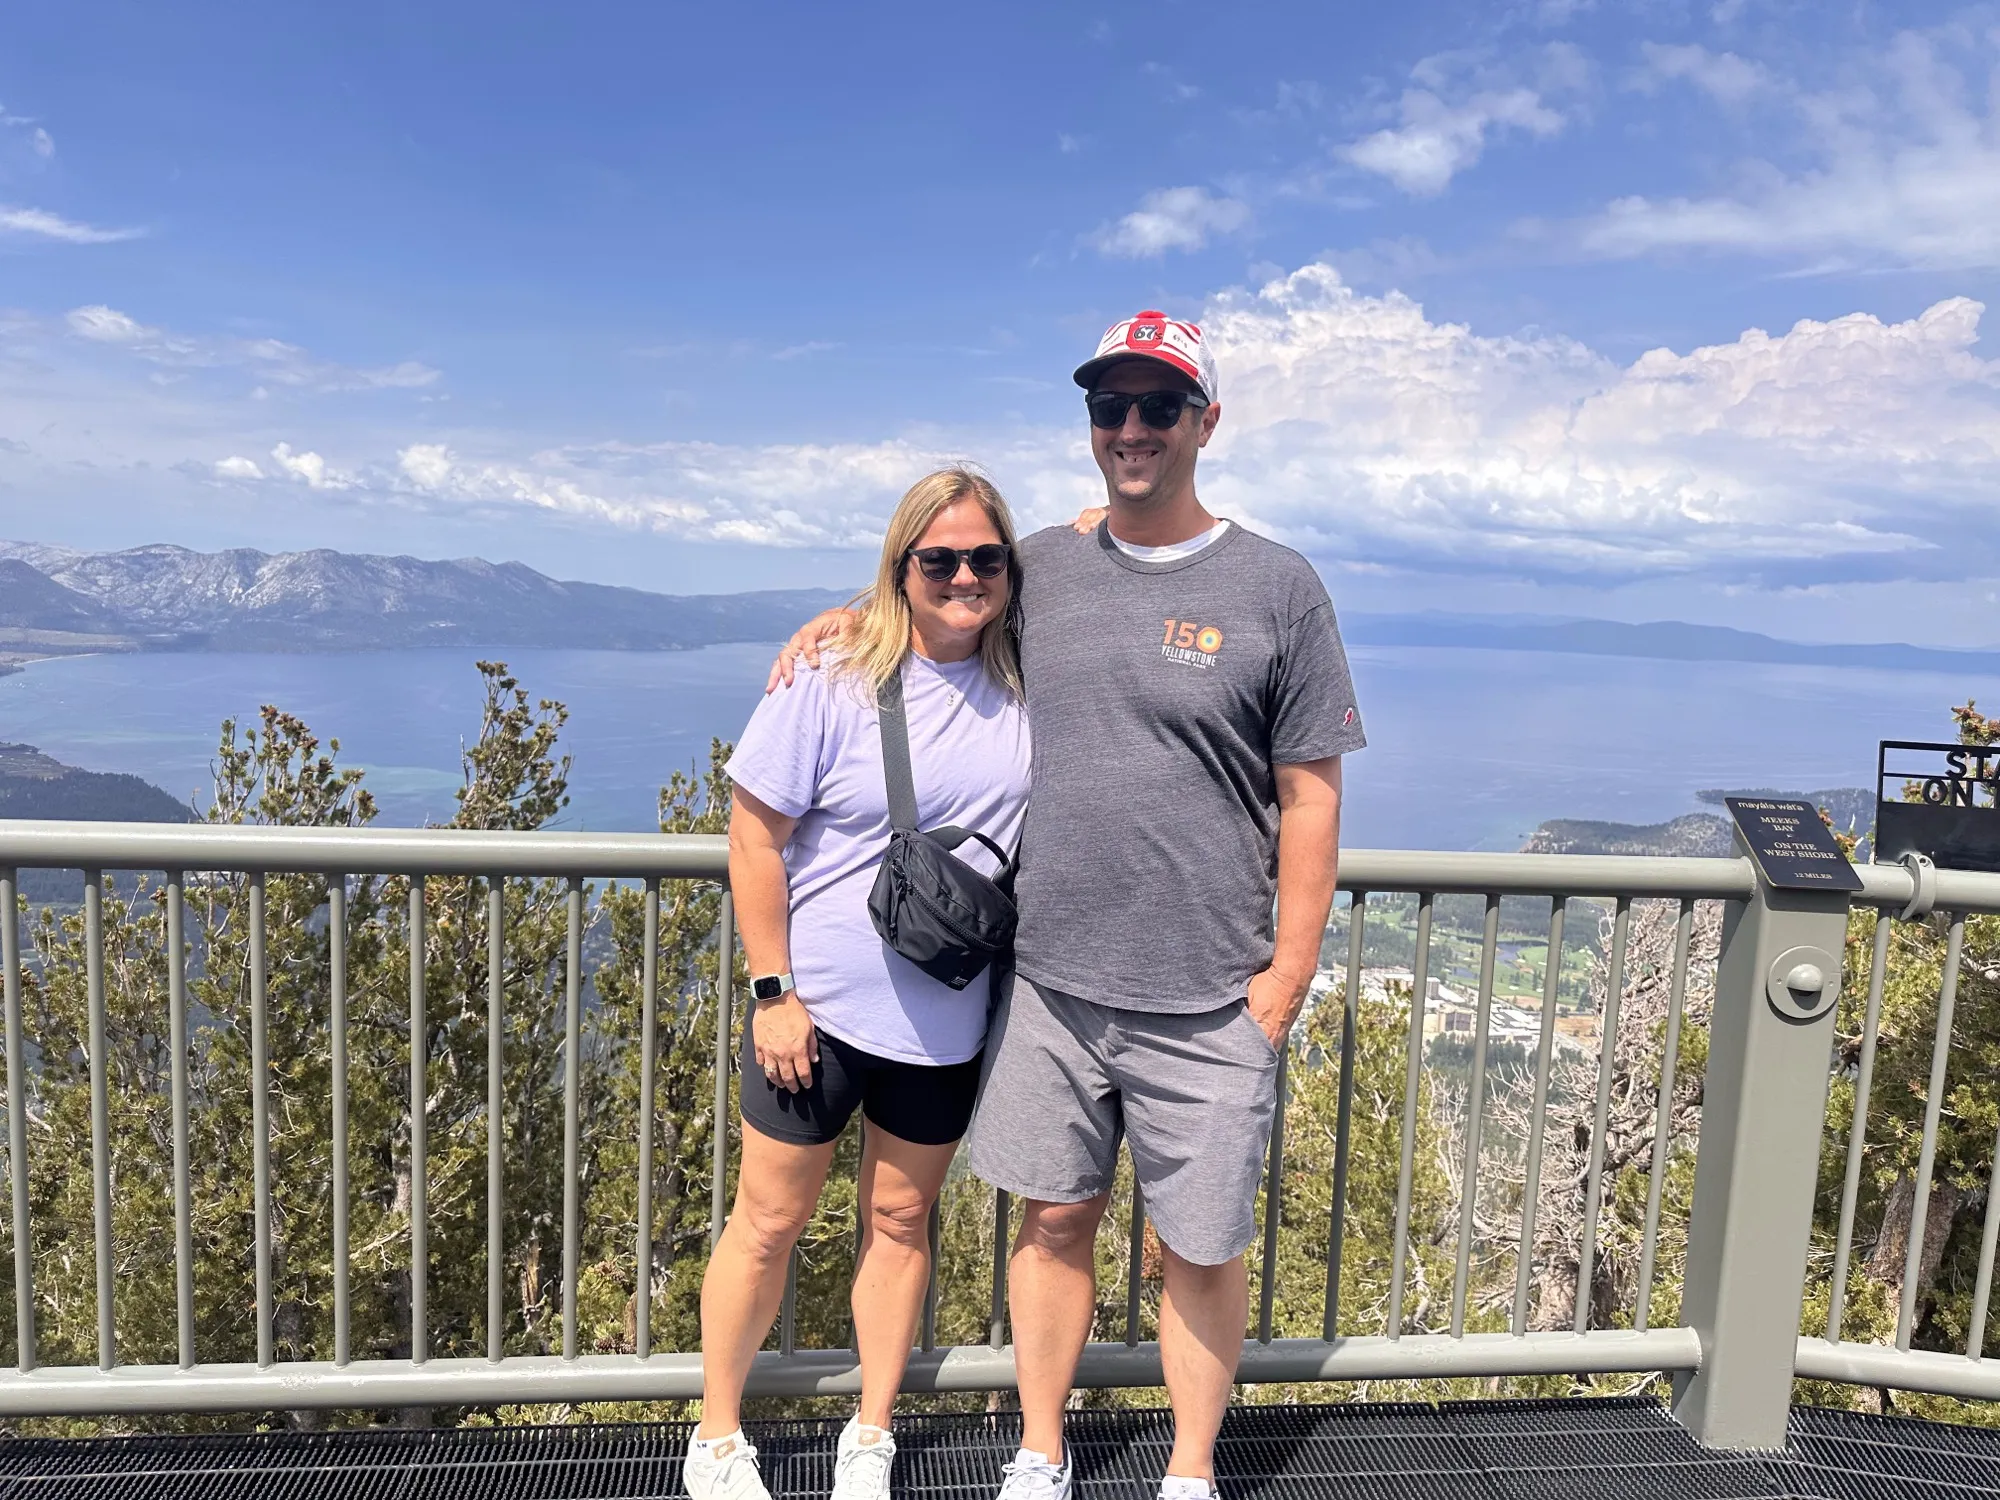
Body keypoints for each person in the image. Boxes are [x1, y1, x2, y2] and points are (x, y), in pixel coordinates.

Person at [772, 312, 1365, 1500]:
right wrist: (846, 621)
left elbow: (1309, 796)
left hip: (1211, 992)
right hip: (1048, 979)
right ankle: (1041, 1451)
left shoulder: (1277, 587)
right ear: (1091, 426)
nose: (1131, 429)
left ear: (1206, 420)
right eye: (1110, 407)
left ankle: (1189, 1472)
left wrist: (1283, 982)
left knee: (1197, 1251)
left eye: (1157, 406)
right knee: (1051, 1224)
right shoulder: (1040, 565)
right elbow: (942, 598)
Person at [686, 468, 1032, 1500]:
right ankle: (715, 1433)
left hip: (943, 1021)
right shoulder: (833, 678)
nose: (963, 576)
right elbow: (754, 837)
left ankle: (870, 1431)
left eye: (984, 558)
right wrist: (770, 990)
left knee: (897, 1224)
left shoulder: (1027, 683)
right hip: (817, 1017)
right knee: (767, 1223)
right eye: (938, 559)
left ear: (1011, 571)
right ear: (900, 567)